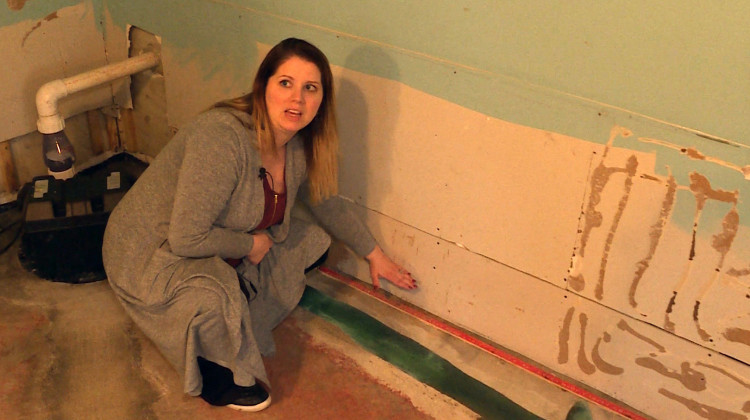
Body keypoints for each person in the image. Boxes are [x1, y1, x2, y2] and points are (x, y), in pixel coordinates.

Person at [102, 37, 416, 412]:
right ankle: (212, 348)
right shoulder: (221, 137)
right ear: (263, 85)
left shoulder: (298, 145)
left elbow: (326, 202)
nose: (296, 99)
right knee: (215, 301)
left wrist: (376, 255)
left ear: (321, 100)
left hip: (214, 240)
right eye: (285, 83)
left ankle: (232, 307)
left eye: (309, 88)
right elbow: (185, 239)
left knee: (313, 241)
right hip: (149, 252)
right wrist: (250, 246)